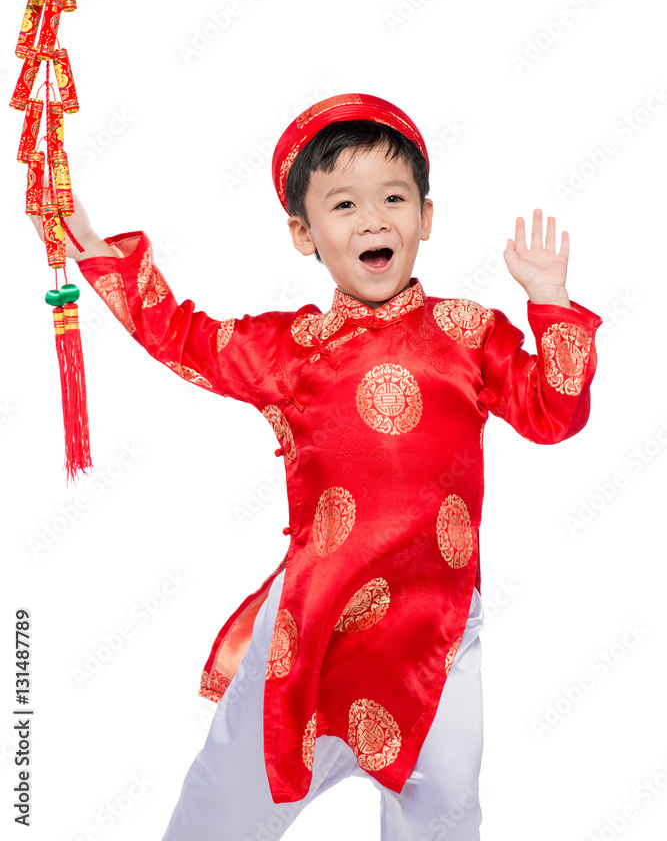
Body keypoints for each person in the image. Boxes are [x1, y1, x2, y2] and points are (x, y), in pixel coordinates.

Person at [30, 92, 603, 840]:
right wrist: (100, 251)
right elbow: (184, 338)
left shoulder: (471, 334)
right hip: (309, 629)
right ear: (303, 233)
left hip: (439, 630)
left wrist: (550, 303)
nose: (372, 219)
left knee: (443, 817)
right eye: (343, 205)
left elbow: (553, 416)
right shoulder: (291, 349)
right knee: (225, 806)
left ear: (425, 220)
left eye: (394, 198)